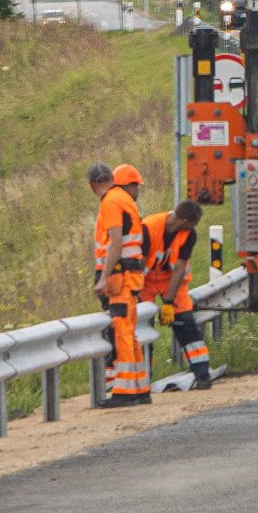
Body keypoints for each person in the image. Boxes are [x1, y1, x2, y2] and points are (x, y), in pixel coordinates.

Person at [89, 161, 149, 407]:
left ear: (92, 185)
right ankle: (140, 388)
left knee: (122, 330)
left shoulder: (111, 202)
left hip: (120, 276)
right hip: (130, 274)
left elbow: (116, 242)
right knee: (129, 332)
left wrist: (104, 277)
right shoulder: (124, 199)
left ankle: (125, 393)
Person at [139, 200, 213, 390]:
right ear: (183, 220)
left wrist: (169, 303)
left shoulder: (189, 235)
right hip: (144, 281)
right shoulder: (148, 227)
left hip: (170, 281)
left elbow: (180, 268)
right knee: (141, 328)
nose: (193, 228)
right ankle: (142, 379)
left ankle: (202, 375)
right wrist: (135, 294)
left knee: (186, 322)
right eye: (192, 224)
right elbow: (140, 264)